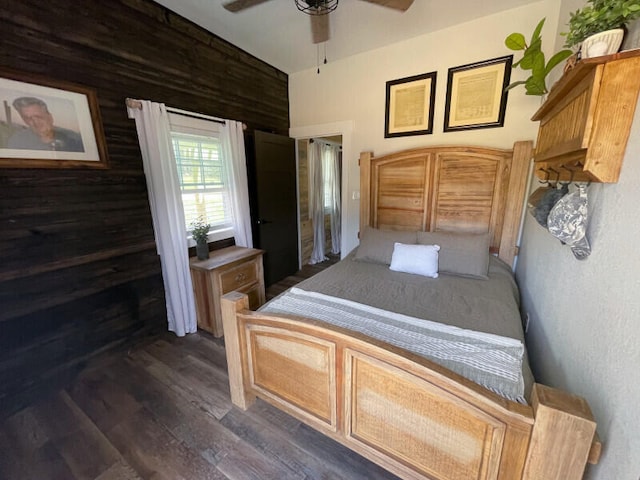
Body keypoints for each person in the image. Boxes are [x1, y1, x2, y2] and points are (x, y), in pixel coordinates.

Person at [8, 97, 84, 152]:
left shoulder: (74, 139)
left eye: (39, 117)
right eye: (28, 118)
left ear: (50, 117)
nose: (35, 122)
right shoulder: (17, 140)